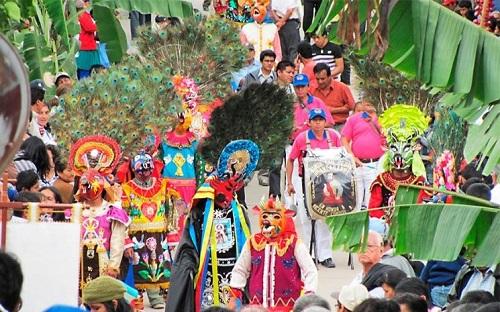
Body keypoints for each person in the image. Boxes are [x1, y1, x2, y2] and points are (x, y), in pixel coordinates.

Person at [167, 140, 257, 311]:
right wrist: (189, 265)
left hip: (234, 273)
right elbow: (189, 245)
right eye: (222, 197)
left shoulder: (239, 212)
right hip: (208, 272)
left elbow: (248, 244)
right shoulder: (200, 213)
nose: (226, 201)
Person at [229, 198, 318, 310]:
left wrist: (308, 294)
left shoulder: (293, 243)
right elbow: (240, 270)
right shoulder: (253, 242)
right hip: (258, 307)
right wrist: (235, 293)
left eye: (275, 217)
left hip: (288, 307)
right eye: (265, 216)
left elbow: (310, 270)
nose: (268, 220)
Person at [121, 151, 181, 309]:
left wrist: (172, 233)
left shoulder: (163, 185)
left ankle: (158, 297)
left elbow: (170, 211)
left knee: (161, 265)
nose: (145, 174)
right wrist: (126, 241)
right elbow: (122, 217)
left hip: (160, 234)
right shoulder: (126, 189)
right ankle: (136, 299)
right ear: (134, 170)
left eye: (148, 170)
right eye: (141, 171)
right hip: (136, 236)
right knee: (139, 267)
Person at [70, 135, 130, 289]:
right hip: (77, 266)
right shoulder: (75, 211)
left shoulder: (111, 212)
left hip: (104, 266)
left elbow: (117, 239)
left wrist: (114, 265)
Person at [286, 108, 341, 268]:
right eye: (314, 120)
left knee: (325, 217)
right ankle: (310, 254)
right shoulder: (302, 139)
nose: (318, 123)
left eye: (320, 120)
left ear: (325, 121)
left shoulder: (333, 137)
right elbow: (291, 160)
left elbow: (341, 157)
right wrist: (289, 183)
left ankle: (325, 255)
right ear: (309, 123)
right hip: (306, 182)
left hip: (328, 182)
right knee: (307, 217)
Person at [341, 101, 385, 211]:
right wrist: (351, 156)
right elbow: (344, 139)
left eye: (370, 104)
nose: (367, 107)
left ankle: (371, 226)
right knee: (355, 200)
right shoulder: (353, 120)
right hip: (356, 164)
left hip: (375, 165)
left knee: (371, 200)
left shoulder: (382, 120)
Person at [350, 231, 406, 298]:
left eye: (369, 246)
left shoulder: (386, 277)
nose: (363, 250)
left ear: (381, 250)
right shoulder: (359, 277)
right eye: (360, 246)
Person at [311, 62, 355, 131]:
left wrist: (332, 110)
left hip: (339, 125)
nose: (320, 82)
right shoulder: (311, 88)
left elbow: (352, 106)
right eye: (317, 79)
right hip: (318, 127)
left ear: (329, 76)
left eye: (323, 79)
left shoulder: (342, 87)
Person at [290, 74, 334, 140]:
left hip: (314, 141)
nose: (300, 89)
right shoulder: (289, 103)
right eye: (297, 87)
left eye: (302, 86)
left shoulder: (317, 102)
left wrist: (313, 125)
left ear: (308, 87)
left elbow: (330, 123)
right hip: (295, 141)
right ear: (294, 88)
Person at [76, 0, 100, 79]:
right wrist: (98, 25)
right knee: (85, 73)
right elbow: (90, 27)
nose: (89, 3)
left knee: (87, 72)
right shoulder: (82, 14)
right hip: (85, 48)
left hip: (88, 47)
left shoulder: (83, 14)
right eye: (87, 2)